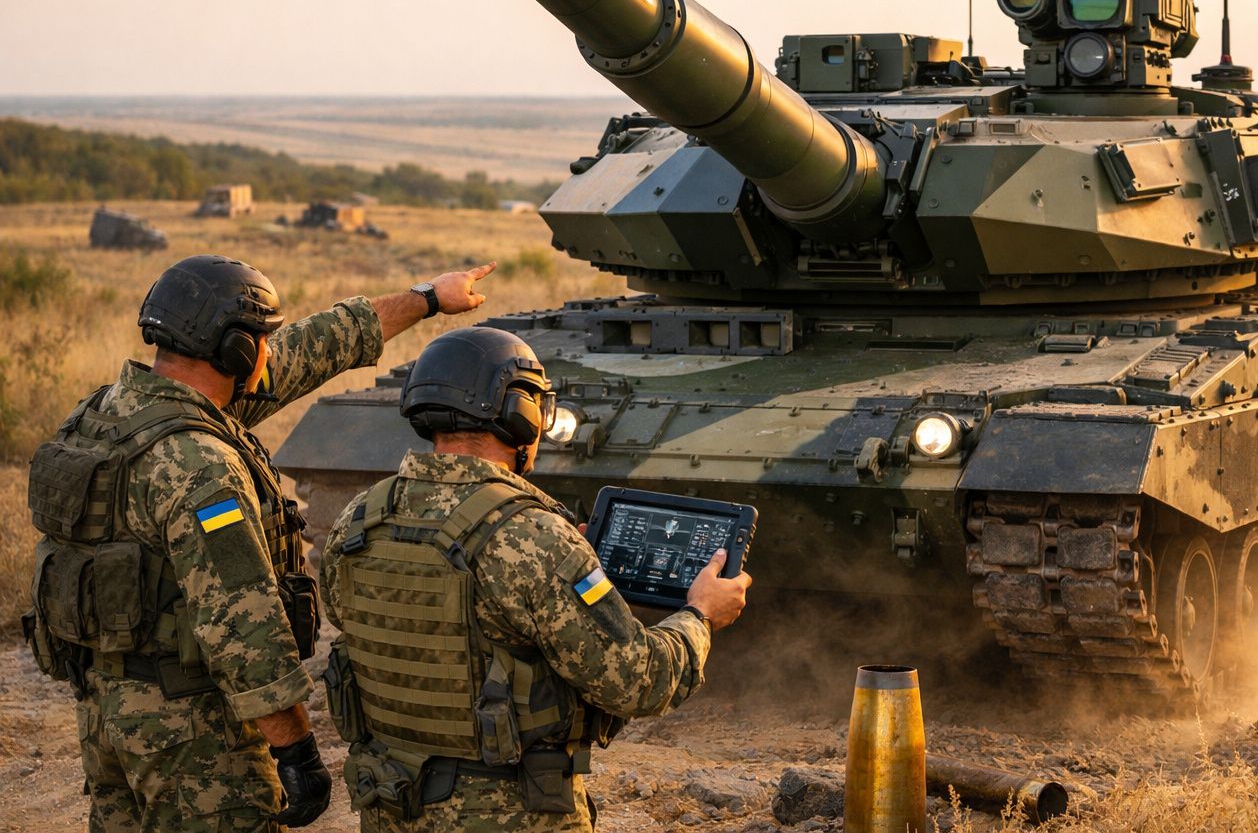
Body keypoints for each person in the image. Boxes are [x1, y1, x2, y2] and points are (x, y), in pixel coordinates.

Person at [24, 253, 498, 832]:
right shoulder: (197, 463)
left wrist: (427, 297)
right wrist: (295, 750)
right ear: (236, 353)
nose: (271, 355)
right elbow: (244, 627)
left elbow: (314, 346)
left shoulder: (108, 413)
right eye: (262, 342)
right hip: (193, 731)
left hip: (105, 710)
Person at [318, 327, 750, 831]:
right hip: (510, 815)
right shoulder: (535, 538)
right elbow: (639, 682)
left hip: (391, 804)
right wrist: (700, 615)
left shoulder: (357, 520)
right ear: (518, 415)